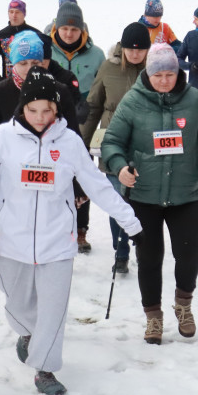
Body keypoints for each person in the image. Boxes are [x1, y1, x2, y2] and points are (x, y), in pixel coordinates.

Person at [0, 68, 143, 395]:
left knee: (53, 309)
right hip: (11, 239)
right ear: (22, 107)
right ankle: (27, 333)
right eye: (32, 110)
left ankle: (45, 369)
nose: (40, 117)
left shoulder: (69, 142)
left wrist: (130, 222)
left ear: (56, 109)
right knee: (18, 305)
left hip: (58, 239)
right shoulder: (2, 139)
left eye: (47, 110)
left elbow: (97, 185)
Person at [101, 44, 198, 344]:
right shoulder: (133, 101)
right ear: (148, 74)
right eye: (158, 75)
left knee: (188, 255)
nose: (165, 80)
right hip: (144, 194)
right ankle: (153, 316)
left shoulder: (194, 100)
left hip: (185, 193)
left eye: (170, 74)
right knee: (149, 258)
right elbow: (112, 142)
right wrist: (120, 167)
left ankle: (183, 305)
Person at [81, 22, 152, 275]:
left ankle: (143, 247)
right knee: (118, 201)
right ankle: (120, 251)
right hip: (114, 144)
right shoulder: (109, 68)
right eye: (131, 49)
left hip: (146, 146)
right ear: (122, 47)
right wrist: (83, 144)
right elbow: (93, 106)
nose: (135, 54)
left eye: (140, 50)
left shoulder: (154, 70)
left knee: (145, 203)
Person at [0, 31, 80, 183]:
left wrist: (78, 186)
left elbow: (74, 140)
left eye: (35, 63)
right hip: (12, 179)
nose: (29, 68)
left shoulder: (60, 91)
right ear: (13, 63)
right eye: (23, 63)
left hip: (55, 178)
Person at [49, 0, 106, 254]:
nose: (69, 34)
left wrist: (90, 106)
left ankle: (81, 229)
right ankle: (57, 227)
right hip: (51, 121)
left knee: (82, 175)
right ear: (56, 28)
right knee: (54, 174)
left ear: (82, 30)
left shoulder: (96, 55)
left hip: (85, 122)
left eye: (74, 29)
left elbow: (102, 89)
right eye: (64, 29)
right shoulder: (47, 52)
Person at [0, 0, 44, 82]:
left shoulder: (35, 34)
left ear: (24, 14)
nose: (14, 15)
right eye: (11, 12)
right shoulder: (0, 35)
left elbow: (45, 60)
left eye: (17, 12)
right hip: (9, 83)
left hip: (32, 81)